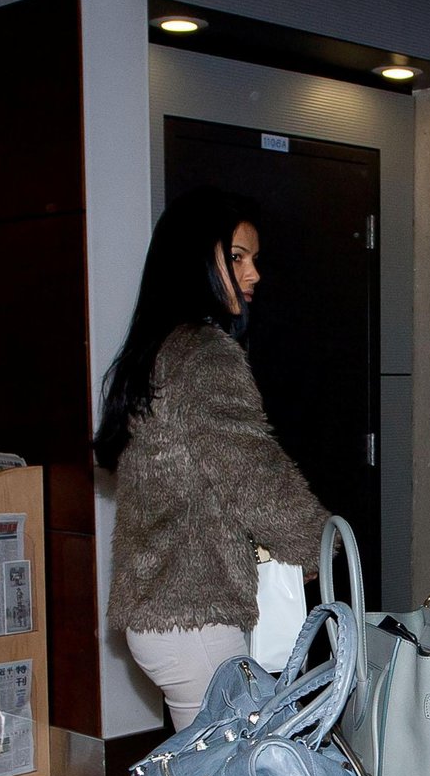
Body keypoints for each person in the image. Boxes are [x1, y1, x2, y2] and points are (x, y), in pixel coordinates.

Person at [95, 187, 328, 730]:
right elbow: (252, 472)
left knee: (205, 767)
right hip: (194, 614)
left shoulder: (159, 347)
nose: (254, 274)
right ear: (197, 259)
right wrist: (320, 541)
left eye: (255, 259)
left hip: (166, 608)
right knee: (226, 775)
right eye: (238, 257)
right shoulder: (203, 353)